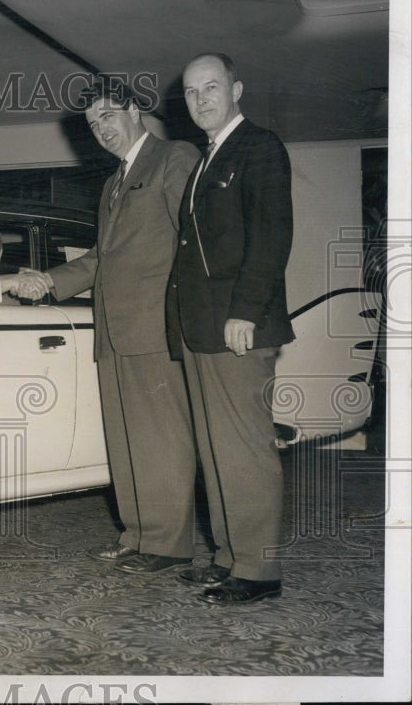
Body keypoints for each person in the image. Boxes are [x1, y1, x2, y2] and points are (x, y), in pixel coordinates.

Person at [16, 82, 200, 574]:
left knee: (162, 440)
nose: (101, 129)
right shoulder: (113, 182)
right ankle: (138, 535)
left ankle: (168, 543)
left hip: (155, 329)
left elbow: (195, 238)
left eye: (108, 116)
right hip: (114, 332)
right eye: (93, 124)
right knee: (125, 441)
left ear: (136, 111)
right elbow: (103, 258)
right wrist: (49, 282)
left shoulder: (173, 158)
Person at [167, 53, 294, 604]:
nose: (201, 100)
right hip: (203, 330)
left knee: (244, 451)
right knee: (217, 450)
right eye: (192, 92)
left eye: (211, 87)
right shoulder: (205, 159)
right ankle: (227, 557)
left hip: (238, 326)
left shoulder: (259, 147)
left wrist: (244, 309)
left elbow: (270, 238)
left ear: (237, 88)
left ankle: (259, 572)